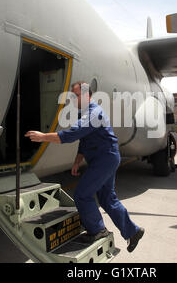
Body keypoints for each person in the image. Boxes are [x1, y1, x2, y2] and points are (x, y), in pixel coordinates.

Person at [25, 82, 144, 253]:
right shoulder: (86, 114)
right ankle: (133, 232)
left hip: (105, 159)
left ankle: (98, 231)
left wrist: (44, 136)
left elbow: (71, 135)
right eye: (72, 96)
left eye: (77, 95)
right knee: (107, 199)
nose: (73, 99)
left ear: (88, 95)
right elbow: (84, 141)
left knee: (82, 194)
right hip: (104, 159)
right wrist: (77, 160)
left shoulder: (93, 113)